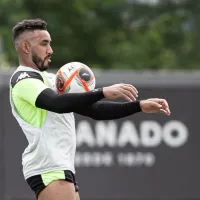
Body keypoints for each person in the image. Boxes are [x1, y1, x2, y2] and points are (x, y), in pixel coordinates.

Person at [10, 18, 170, 200]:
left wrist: (139, 106)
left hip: (59, 166)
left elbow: (94, 110)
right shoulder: (23, 80)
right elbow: (56, 104)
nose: (50, 50)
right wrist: (102, 91)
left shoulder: (49, 79)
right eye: (44, 44)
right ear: (25, 47)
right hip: (49, 167)